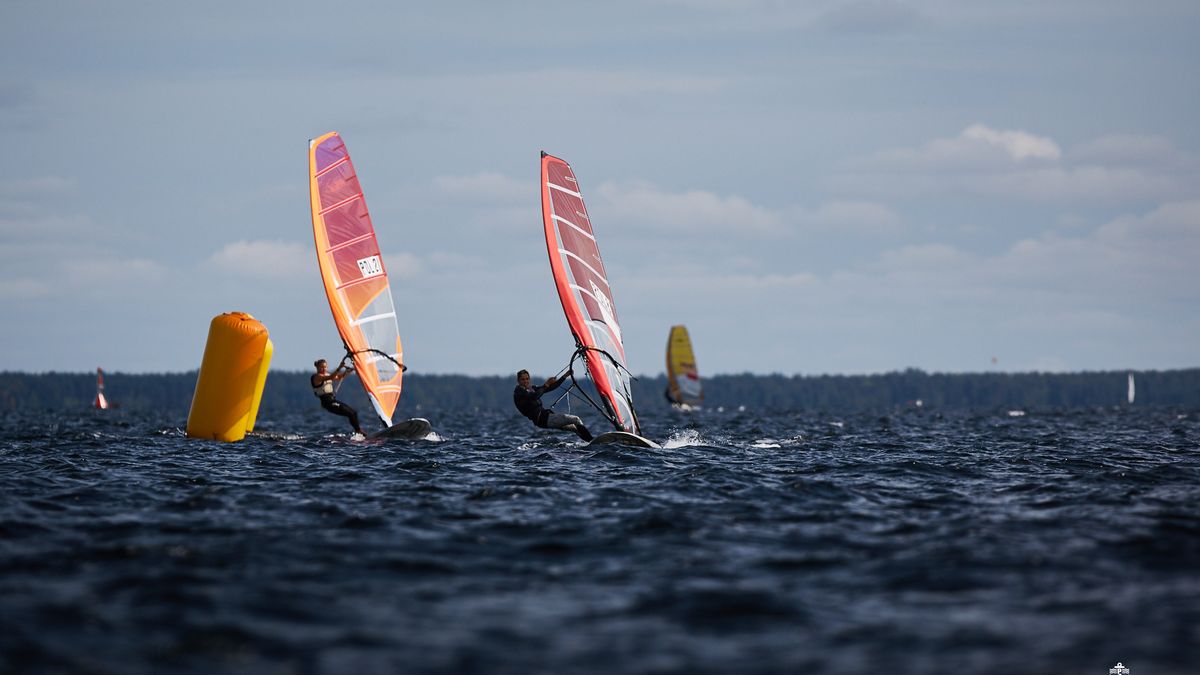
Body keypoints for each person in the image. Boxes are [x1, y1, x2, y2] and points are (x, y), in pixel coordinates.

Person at [513, 369, 593, 441]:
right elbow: (535, 396)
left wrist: (564, 376)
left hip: (547, 417)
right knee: (576, 419)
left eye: (527, 379)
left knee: (574, 428)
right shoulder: (519, 392)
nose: (525, 381)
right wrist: (546, 384)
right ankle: (592, 441)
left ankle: (589, 442)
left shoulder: (531, 388)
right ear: (518, 380)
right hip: (543, 419)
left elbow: (549, 388)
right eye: (522, 379)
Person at [312, 358, 363, 436]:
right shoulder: (316, 377)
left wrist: (348, 371)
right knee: (351, 413)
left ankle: (358, 432)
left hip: (332, 401)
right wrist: (339, 367)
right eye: (321, 367)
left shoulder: (327, 375)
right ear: (317, 368)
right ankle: (358, 432)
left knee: (353, 413)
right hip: (327, 402)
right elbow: (331, 377)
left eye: (325, 367)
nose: (323, 369)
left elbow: (338, 377)